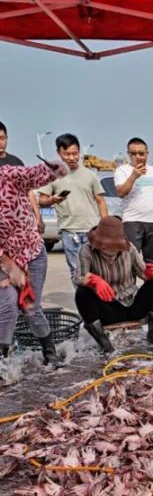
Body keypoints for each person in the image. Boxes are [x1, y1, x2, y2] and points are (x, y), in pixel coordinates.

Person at [0, 155, 67, 364]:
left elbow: (36, 174)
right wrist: (9, 267)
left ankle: (50, 353)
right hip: (3, 258)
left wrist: (55, 167)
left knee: (30, 307)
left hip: (32, 252)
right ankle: (3, 361)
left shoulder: (7, 175)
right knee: (8, 305)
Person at [74, 216, 153, 353]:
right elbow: (78, 278)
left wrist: (150, 273)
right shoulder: (86, 251)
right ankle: (104, 342)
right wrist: (93, 279)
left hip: (131, 305)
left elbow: (144, 274)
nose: (109, 249)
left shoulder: (130, 249)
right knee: (82, 293)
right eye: (105, 245)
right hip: (107, 309)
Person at [36, 133, 107, 286]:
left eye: (75, 153)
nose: (71, 157)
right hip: (69, 233)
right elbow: (41, 200)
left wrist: (104, 227)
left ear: (80, 152)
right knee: (76, 272)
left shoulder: (90, 175)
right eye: (66, 154)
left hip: (91, 231)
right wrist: (52, 200)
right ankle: (84, 307)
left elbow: (101, 201)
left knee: (97, 271)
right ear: (58, 153)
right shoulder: (53, 176)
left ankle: (98, 307)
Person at [114, 137, 153, 274]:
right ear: (129, 154)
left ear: (147, 154)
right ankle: (130, 293)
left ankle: (149, 293)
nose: (138, 157)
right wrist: (133, 176)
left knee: (151, 265)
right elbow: (121, 192)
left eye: (141, 153)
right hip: (132, 222)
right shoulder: (123, 171)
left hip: (152, 222)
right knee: (130, 262)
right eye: (133, 153)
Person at [0, 122, 45, 241]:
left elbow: (28, 191)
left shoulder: (16, 162)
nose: (0, 142)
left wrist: (38, 215)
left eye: (2, 138)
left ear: (7, 138)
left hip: (19, 223)